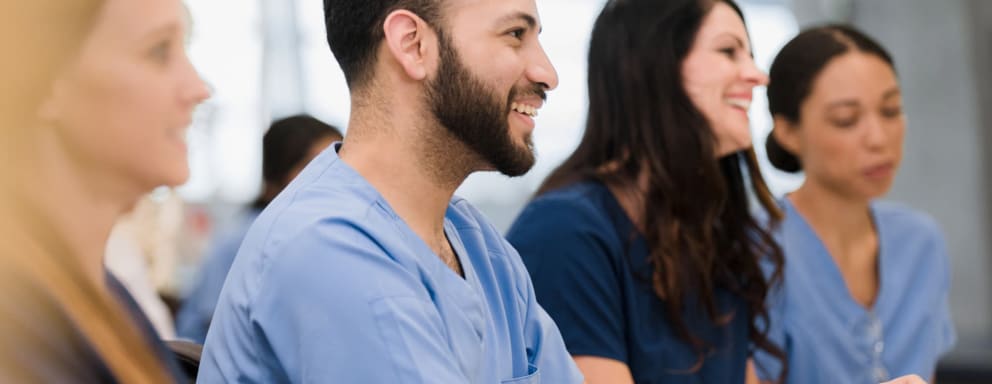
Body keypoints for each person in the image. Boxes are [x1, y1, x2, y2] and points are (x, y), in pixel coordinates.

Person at [198, 0, 582, 382]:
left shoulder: (482, 248)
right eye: (515, 34)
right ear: (413, 44)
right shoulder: (327, 249)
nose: (547, 73)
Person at [507, 0, 785, 382]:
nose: (757, 75)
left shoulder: (709, 236)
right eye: (728, 51)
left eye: (749, 54)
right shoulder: (564, 232)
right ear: (654, 66)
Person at [0, 0, 209, 381]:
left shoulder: (98, 288)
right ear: (46, 80)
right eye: (159, 51)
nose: (199, 88)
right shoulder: (17, 327)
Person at [754, 25, 955, 383]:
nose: (878, 139)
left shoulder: (921, 243)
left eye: (891, 110)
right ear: (787, 132)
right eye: (846, 120)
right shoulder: (756, 249)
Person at [176, 114, 341, 343]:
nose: (333, 177)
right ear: (276, 176)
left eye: (339, 164)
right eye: (313, 166)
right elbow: (215, 330)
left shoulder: (326, 232)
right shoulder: (243, 241)